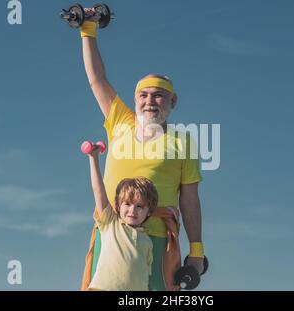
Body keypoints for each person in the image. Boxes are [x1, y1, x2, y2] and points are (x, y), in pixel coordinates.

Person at [79, 8, 205, 291]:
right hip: (112, 236)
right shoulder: (120, 121)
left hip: (160, 239)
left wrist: (196, 251)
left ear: (172, 101)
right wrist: (87, 30)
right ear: (135, 100)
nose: (150, 101)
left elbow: (189, 201)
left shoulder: (183, 142)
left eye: (158, 95)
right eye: (143, 95)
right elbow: (97, 80)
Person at [85, 141, 157, 291]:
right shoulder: (110, 223)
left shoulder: (147, 241)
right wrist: (93, 157)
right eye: (127, 204)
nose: (132, 210)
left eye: (139, 206)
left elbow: (145, 276)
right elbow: (98, 190)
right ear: (118, 205)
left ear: (149, 211)